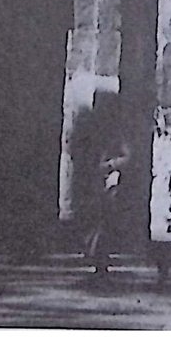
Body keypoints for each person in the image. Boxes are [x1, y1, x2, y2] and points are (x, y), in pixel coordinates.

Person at [67, 94, 135, 283]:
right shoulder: (86, 129)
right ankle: (93, 254)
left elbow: (127, 156)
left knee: (103, 222)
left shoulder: (115, 132)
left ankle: (99, 258)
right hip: (88, 181)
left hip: (106, 184)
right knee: (88, 219)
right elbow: (74, 150)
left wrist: (109, 165)